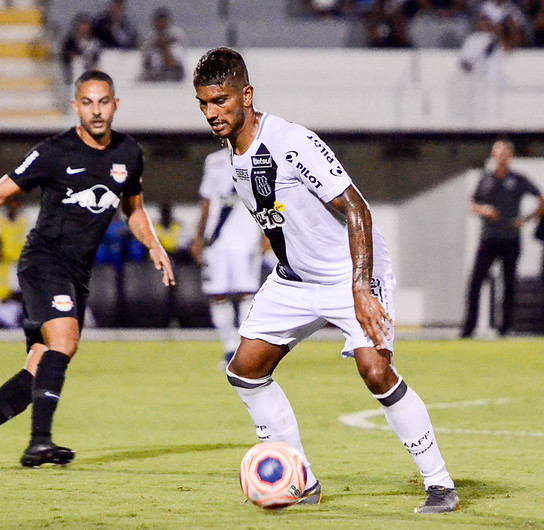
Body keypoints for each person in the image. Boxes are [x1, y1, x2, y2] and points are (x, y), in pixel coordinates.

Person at [193, 47, 458, 514]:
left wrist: (360, 288)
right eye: (204, 104)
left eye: (221, 101)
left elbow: (357, 207)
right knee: (245, 371)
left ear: (246, 95)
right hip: (295, 280)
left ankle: (440, 484)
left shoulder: (292, 141)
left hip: (352, 271)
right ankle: (302, 478)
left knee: (375, 371)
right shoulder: (231, 153)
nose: (212, 113)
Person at [0, 70, 174, 468]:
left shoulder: (129, 154)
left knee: (39, 368)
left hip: (77, 273)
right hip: (44, 262)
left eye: (103, 102)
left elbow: (134, 209)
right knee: (66, 341)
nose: (96, 111)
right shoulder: (53, 152)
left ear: (116, 105)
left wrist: (154, 245)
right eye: (88, 102)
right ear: (75, 107)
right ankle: (39, 442)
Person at [460, 139, 544, 338]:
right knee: (476, 281)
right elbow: (472, 204)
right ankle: (469, 327)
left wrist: (527, 218)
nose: (500, 157)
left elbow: (540, 199)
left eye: (504, 153)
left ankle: (505, 327)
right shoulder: (486, 179)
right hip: (489, 238)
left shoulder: (518, 180)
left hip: (510, 238)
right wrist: (484, 210)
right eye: (497, 153)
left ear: (510, 156)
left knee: (508, 283)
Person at [190, 149, 263, 368]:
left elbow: (272, 199)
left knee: (247, 293)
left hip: (247, 241)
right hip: (216, 242)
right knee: (217, 294)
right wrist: (198, 237)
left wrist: (270, 232)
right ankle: (230, 348)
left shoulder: (260, 157)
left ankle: (246, 348)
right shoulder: (214, 160)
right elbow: (207, 201)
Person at [138, 7, 186, 82]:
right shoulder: (150, 42)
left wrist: (164, 47)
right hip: (154, 79)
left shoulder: (175, 41)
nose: (161, 25)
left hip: (173, 79)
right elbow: (145, 64)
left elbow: (175, 64)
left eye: (163, 22)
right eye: (159, 22)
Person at [60, 12, 101, 87]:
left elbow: (96, 57)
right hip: (73, 74)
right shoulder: (71, 41)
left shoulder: (94, 43)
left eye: (86, 25)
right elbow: (66, 55)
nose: (84, 28)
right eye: (82, 24)